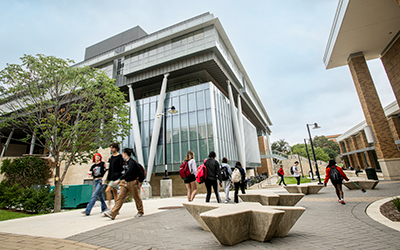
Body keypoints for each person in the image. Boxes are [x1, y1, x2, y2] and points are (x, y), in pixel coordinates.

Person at [104, 148, 144, 219]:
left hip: (132, 182)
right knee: (120, 198)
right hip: (125, 183)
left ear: (125, 154)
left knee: (136, 197)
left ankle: (140, 211)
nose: (122, 155)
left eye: (122, 153)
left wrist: (119, 179)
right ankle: (112, 214)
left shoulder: (132, 163)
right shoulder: (125, 162)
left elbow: (128, 172)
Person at [105, 143, 124, 209]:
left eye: (112, 148)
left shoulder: (120, 157)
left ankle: (109, 206)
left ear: (116, 148)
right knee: (115, 192)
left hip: (116, 177)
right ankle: (116, 208)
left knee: (107, 190)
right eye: (111, 148)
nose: (111, 149)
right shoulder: (111, 157)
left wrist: (119, 178)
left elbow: (121, 168)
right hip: (111, 176)